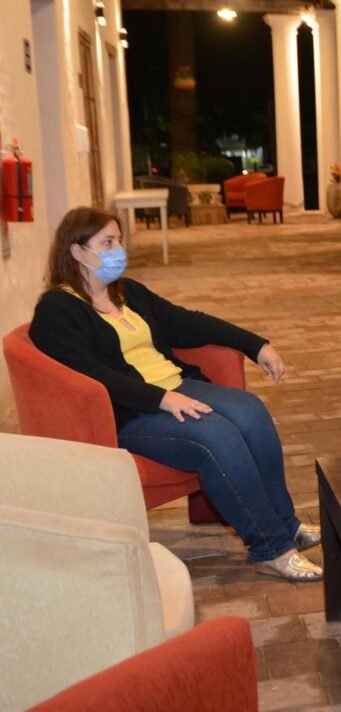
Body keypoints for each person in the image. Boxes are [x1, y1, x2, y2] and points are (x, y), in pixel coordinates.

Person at [30, 207, 323, 582]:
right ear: (77, 251)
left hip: (177, 386)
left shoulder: (127, 292)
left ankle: (287, 525)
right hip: (128, 412)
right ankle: (272, 548)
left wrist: (255, 345)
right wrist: (161, 399)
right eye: (108, 242)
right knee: (216, 435)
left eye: (119, 240)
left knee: (251, 410)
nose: (119, 250)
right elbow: (91, 374)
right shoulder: (57, 310)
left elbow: (188, 322)